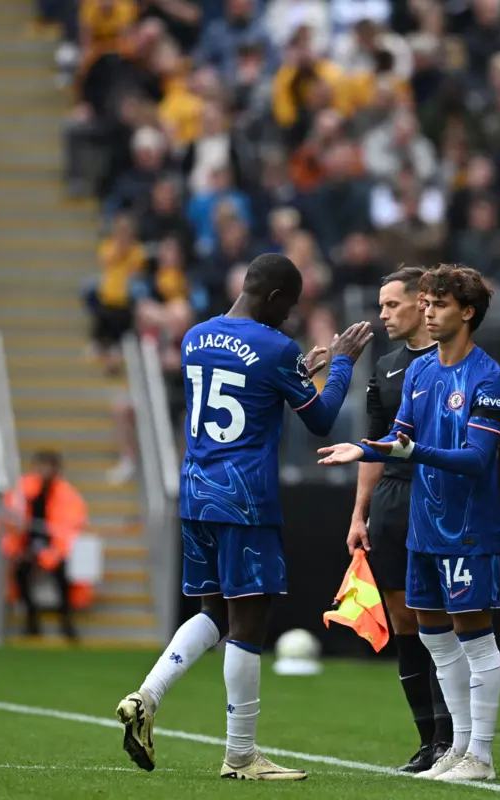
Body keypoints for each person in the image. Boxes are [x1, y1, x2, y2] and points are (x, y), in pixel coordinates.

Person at [115, 253, 374, 780]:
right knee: (248, 624)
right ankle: (240, 756)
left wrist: (298, 373)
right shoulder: (276, 346)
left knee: (213, 610)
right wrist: (343, 360)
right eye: (290, 307)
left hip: (196, 491)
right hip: (245, 499)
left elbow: (244, 384)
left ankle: (146, 696)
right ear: (275, 297)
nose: (290, 318)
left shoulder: (194, 336)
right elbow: (322, 420)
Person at [318, 264, 500, 783]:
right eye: (425, 302)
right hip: (423, 524)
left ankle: (482, 755)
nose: (428, 310)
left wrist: (412, 450)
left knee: (475, 638)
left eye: (439, 304)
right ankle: (455, 747)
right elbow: (396, 435)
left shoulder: (487, 377)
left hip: (468, 525)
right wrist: (359, 448)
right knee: (433, 637)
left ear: (467, 312)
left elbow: (475, 457)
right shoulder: (421, 374)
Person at [344, 265, 451, 772]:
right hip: (392, 501)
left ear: (421, 303)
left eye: (392, 304)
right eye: (381, 305)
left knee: (442, 621)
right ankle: (428, 739)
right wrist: (359, 514)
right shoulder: (385, 365)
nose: (383, 314)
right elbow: (373, 448)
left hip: (438, 494)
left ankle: (457, 737)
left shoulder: (453, 357)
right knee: (404, 619)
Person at [0, 450, 87, 641]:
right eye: (41, 466)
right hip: (27, 548)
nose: (44, 471)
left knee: (63, 572)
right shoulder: (23, 490)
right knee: (20, 570)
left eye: (48, 466)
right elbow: (8, 519)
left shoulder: (66, 495)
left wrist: (50, 554)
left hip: (55, 551)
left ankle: (66, 619)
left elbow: (69, 531)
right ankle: (31, 618)